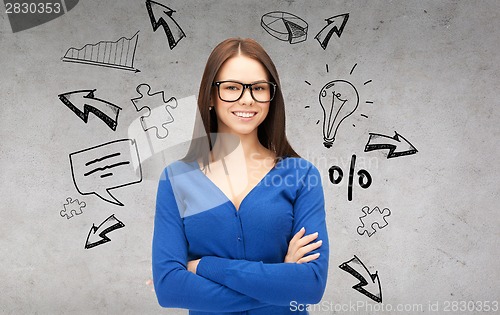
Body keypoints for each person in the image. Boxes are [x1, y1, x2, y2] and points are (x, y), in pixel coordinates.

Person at [152, 37, 329, 314]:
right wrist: (281, 280)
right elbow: (169, 288)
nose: (247, 99)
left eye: (258, 88)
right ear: (210, 96)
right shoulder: (175, 180)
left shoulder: (302, 175)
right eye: (232, 87)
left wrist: (204, 266)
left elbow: (311, 286)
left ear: (272, 96)